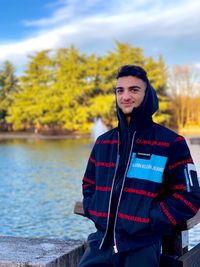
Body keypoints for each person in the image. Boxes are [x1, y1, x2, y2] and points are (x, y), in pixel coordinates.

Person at [78, 65, 200, 267]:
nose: (125, 96)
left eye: (134, 90)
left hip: (142, 246)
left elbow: (189, 196)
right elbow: (89, 185)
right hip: (102, 242)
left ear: (147, 94)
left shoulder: (170, 143)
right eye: (120, 90)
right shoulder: (103, 143)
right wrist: (96, 210)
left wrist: (148, 219)